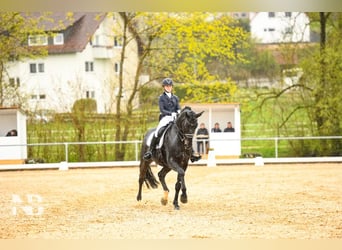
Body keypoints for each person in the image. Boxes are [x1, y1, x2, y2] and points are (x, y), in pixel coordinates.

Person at [143, 78, 201, 162]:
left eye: (170, 86)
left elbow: (178, 107)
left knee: (185, 131)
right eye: (167, 86)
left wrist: (178, 111)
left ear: (171, 87)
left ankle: (191, 153)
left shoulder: (175, 98)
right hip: (165, 117)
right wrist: (171, 113)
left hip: (175, 118)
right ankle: (150, 151)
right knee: (158, 132)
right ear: (164, 87)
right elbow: (162, 110)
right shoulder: (161, 98)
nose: (169, 88)